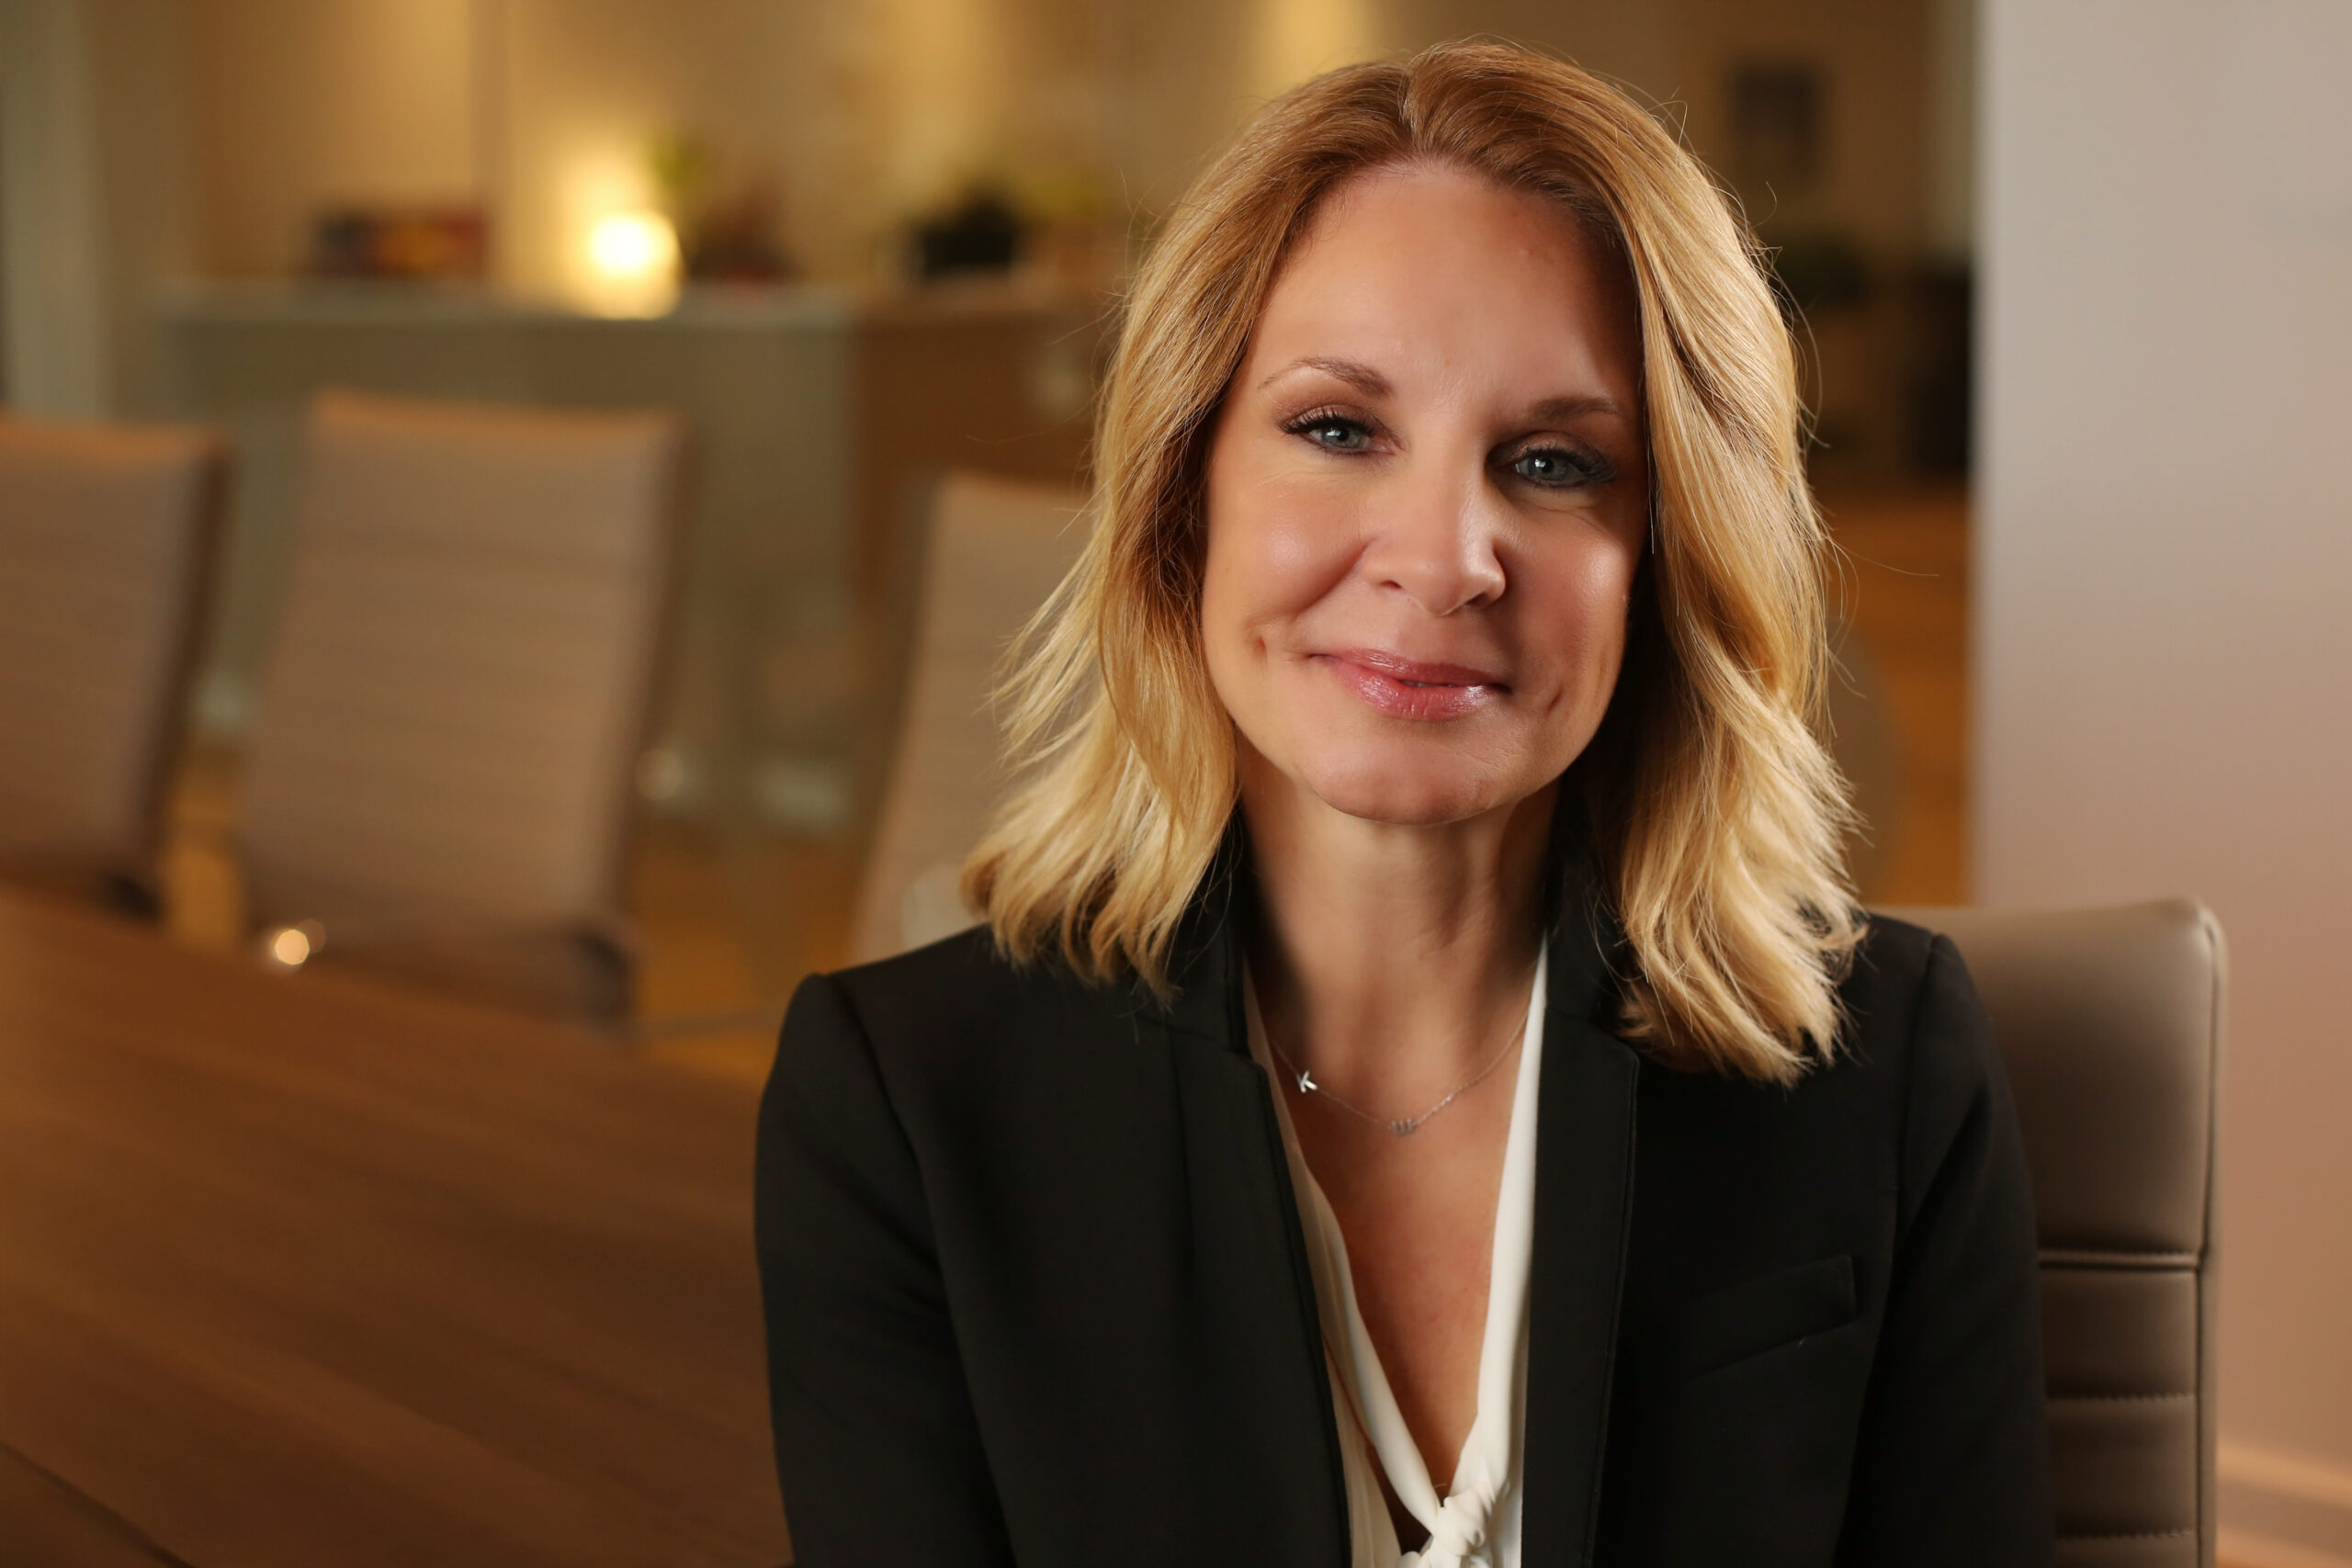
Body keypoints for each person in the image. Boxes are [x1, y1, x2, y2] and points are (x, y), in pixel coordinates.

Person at [755, 39, 2050, 1568]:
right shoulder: (901, 1109)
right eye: (1337, 428)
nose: (1444, 559)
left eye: (1558, 462)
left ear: (1671, 558)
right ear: (1184, 494)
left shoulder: (1889, 1069)